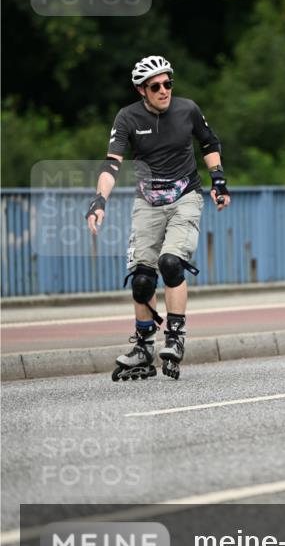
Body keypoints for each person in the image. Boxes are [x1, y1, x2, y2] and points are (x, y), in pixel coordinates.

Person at [85, 55, 230, 381]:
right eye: (156, 86)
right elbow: (112, 164)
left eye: (168, 83)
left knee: (170, 263)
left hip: (185, 197)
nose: (164, 90)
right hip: (148, 203)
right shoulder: (127, 118)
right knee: (142, 279)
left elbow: (209, 142)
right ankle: (144, 347)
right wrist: (99, 202)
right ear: (141, 90)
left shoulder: (187, 109)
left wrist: (218, 181)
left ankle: (175, 337)